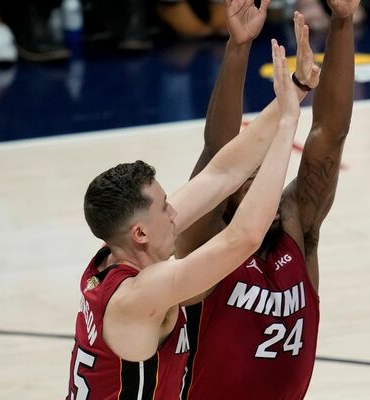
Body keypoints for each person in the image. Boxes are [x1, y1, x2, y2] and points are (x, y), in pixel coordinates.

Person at [65, 31, 309, 399]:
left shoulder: (118, 255)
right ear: (140, 234)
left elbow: (221, 174)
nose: (175, 209)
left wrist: (296, 89)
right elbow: (243, 237)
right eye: (164, 207)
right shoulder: (138, 296)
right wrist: (287, 126)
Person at [174, 0, 358, 398]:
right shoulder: (205, 246)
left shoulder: (296, 227)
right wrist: (238, 47)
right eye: (252, 178)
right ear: (227, 191)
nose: (267, 189)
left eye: (268, 177)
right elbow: (216, 156)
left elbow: (329, 134)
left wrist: (342, 22)